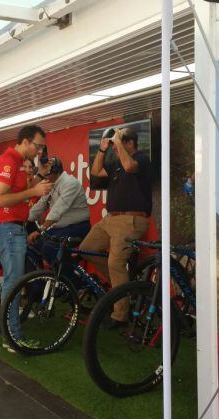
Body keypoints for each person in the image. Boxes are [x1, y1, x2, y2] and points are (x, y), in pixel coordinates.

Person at [79, 127, 152, 328]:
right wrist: (102, 150)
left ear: (129, 143)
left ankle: (120, 315)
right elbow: (95, 172)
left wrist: (119, 141)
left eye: (119, 143)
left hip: (131, 220)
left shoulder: (142, 160)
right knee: (87, 249)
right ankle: (123, 283)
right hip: (110, 219)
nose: (115, 148)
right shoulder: (115, 164)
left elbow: (130, 167)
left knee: (114, 264)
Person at [0, 125, 53, 351]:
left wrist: (38, 178)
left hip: (12, 228)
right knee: (14, 284)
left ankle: (10, 333)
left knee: (12, 282)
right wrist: (33, 193)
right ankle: (13, 337)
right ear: (25, 142)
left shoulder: (15, 162)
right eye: (38, 146)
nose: (39, 151)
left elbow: (17, 193)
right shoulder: (9, 161)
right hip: (7, 229)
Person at [27, 157, 91, 265]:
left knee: (49, 246)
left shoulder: (70, 183)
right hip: (62, 228)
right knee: (33, 244)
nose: (44, 177)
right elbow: (40, 206)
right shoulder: (51, 183)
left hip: (78, 227)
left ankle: (68, 279)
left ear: (55, 172)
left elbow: (56, 211)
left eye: (46, 173)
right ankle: (40, 278)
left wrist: (39, 230)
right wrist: (23, 219)